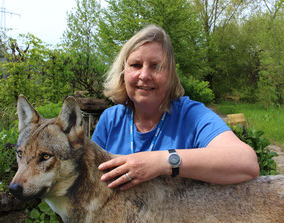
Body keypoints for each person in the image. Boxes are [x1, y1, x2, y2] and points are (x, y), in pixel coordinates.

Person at [92, 24, 259, 190]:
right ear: (123, 71)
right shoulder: (110, 120)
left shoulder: (192, 116)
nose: (144, 75)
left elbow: (246, 163)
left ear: (171, 75)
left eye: (156, 66)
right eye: (136, 65)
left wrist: (160, 162)